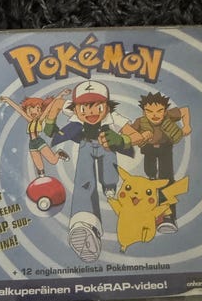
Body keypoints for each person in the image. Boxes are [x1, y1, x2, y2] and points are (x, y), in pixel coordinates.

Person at [44, 80, 140, 262]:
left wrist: (122, 140)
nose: (91, 113)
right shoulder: (72, 110)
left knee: (110, 168)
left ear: (107, 106)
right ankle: (84, 223)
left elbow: (137, 135)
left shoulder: (113, 117)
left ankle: (109, 187)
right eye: (84, 108)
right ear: (76, 108)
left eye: (98, 107)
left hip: (106, 145)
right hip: (85, 145)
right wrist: (50, 122)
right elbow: (56, 104)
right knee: (84, 179)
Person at [130, 91, 191, 233]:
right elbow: (127, 134)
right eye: (150, 111)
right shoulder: (140, 121)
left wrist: (186, 126)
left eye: (159, 111)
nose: (155, 115)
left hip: (165, 150)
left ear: (164, 110)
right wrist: (140, 136)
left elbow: (184, 110)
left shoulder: (169, 115)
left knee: (167, 180)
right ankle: (150, 214)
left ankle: (168, 217)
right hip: (149, 151)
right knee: (150, 178)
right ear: (144, 112)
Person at [0, 89, 70, 177]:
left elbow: (49, 107)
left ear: (40, 111)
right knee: (39, 168)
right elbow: (18, 109)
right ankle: (42, 179)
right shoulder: (29, 119)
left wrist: (61, 94)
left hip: (39, 142)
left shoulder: (40, 120)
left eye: (37, 109)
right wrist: (7, 100)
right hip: (32, 144)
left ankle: (59, 153)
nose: (33, 112)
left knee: (53, 161)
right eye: (30, 109)